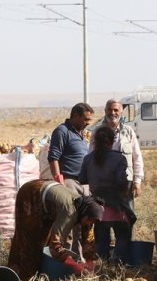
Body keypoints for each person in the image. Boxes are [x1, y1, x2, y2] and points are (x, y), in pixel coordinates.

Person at [7, 179, 104, 281]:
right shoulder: (69, 213)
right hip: (31, 193)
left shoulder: (86, 211)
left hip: (49, 195)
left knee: (46, 236)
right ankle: (20, 275)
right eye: (89, 220)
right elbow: (55, 246)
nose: (89, 223)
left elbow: (88, 240)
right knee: (30, 239)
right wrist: (74, 265)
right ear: (84, 213)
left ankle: (40, 270)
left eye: (93, 222)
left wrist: (89, 262)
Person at [80, 126, 135, 262]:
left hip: (98, 208)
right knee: (123, 238)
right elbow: (122, 182)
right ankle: (119, 264)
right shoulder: (119, 158)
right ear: (111, 142)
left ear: (95, 142)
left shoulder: (88, 159)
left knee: (101, 242)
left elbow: (82, 179)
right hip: (117, 206)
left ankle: (103, 266)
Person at [90, 99, 144, 198]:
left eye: (116, 110)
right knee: (106, 213)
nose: (112, 113)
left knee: (126, 212)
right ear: (105, 111)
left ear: (121, 112)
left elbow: (137, 157)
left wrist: (137, 181)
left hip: (125, 182)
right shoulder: (97, 132)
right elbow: (91, 157)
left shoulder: (128, 132)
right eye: (110, 110)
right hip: (103, 184)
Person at [47, 102, 94, 195]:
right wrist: (59, 183)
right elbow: (53, 158)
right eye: (86, 119)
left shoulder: (81, 133)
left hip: (84, 184)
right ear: (76, 116)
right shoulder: (62, 131)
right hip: (70, 183)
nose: (88, 123)